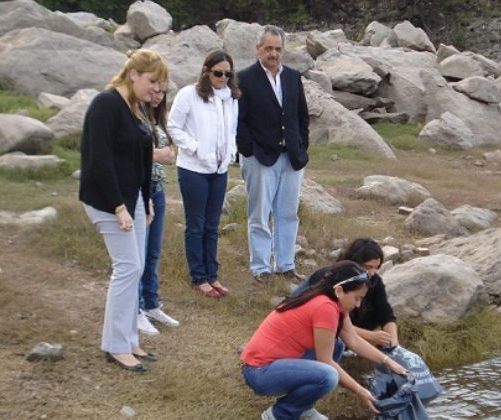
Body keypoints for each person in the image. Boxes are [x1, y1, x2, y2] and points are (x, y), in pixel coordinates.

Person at [240, 261, 409, 420]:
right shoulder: (325, 308)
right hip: (259, 371)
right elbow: (326, 361)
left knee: (337, 345)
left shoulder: (333, 301)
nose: (358, 304)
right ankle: (282, 415)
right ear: (340, 290)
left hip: (272, 364)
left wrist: (388, 361)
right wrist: (361, 391)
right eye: (356, 298)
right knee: (328, 376)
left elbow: (353, 340)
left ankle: (303, 406)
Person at [79, 49, 168, 372]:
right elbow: (99, 159)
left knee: (136, 268)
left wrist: (145, 198)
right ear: (133, 75)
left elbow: (140, 157)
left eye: (160, 84)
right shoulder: (106, 104)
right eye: (152, 81)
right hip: (109, 201)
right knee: (127, 267)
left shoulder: (134, 106)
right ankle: (116, 345)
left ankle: (130, 339)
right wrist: (118, 206)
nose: (155, 89)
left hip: (134, 199)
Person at [237, 25, 310, 283]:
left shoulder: (292, 76)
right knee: (259, 214)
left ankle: (285, 264)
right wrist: (248, 150)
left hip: (291, 156)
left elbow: (301, 114)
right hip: (260, 156)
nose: (273, 53)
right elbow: (239, 120)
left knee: (288, 212)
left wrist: (301, 145)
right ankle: (260, 267)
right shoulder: (244, 78)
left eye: (278, 49)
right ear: (258, 49)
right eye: (268, 48)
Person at [168, 50, 239, 298]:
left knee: (212, 224)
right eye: (218, 73)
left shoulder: (231, 98)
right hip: (193, 169)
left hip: (219, 170)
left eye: (228, 74)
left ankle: (212, 274)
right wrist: (195, 148)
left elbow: (232, 130)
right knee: (196, 225)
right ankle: (198, 277)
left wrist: (231, 152)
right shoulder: (189, 94)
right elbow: (173, 126)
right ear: (206, 71)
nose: (223, 78)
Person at [299, 238, 399, 348]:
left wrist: (393, 342)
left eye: (376, 268)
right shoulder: (331, 278)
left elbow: (386, 313)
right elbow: (330, 321)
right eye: (368, 267)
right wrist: (370, 336)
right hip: (312, 326)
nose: (372, 273)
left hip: (345, 325)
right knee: (338, 343)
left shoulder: (374, 280)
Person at [137, 86, 180, 336]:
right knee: (138, 253)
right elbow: (134, 153)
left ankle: (151, 303)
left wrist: (158, 154)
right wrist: (157, 154)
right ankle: (136, 309)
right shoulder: (135, 115)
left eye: (163, 92)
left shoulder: (158, 118)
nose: (158, 96)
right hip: (140, 186)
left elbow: (169, 155)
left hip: (158, 187)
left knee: (153, 251)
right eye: (154, 90)